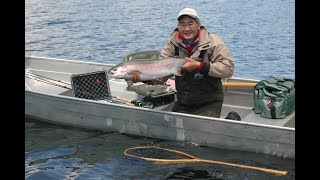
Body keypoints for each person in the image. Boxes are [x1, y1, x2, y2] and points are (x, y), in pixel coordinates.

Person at [127, 8, 239, 119]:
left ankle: (232, 119)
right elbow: (161, 76)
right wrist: (144, 78)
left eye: (190, 24)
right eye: (182, 24)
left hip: (209, 102)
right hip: (184, 102)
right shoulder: (171, 46)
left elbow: (228, 68)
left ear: (198, 25)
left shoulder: (213, 42)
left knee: (202, 131)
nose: (187, 29)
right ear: (178, 26)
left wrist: (200, 66)